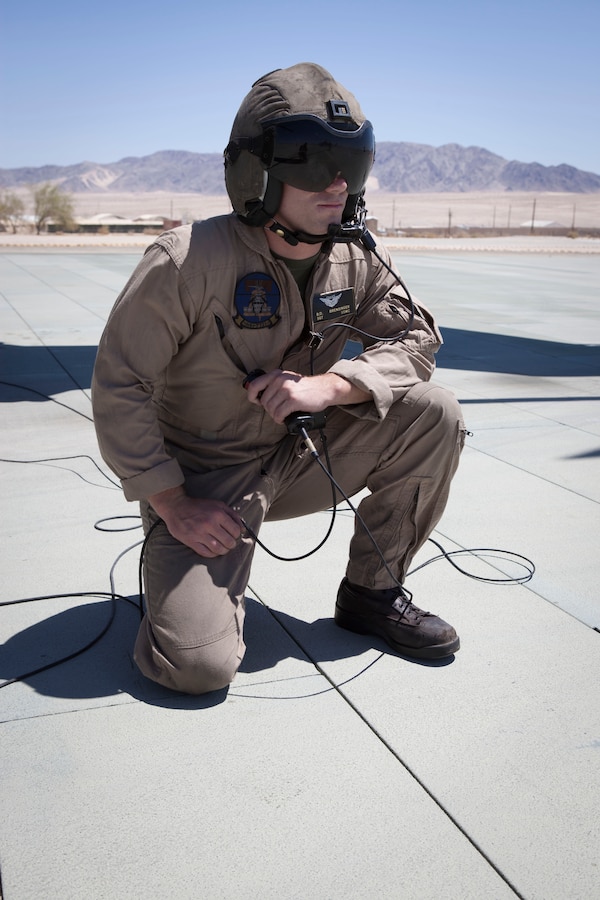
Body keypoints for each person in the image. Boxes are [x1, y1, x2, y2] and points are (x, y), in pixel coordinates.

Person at [91, 62, 466, 695]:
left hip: (302, 456)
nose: (339, 184)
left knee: (435, 412)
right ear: (257, 175)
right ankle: (175, 567)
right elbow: (121, 385)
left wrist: (336, 385)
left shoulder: (356, 257)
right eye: (315, 163)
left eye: (354, 163)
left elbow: (417, 338)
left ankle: (372, 596)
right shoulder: (187, 262)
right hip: (205, 485)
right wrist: (171, 502)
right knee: (198, 670)